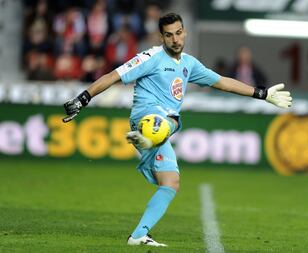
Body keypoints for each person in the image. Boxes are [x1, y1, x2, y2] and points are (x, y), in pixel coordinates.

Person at [62, 13, 292, 247]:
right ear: (161, 37)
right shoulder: (150, 57)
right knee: (171, 120)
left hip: (161, 127)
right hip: (146, 118)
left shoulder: (189, 64)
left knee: (170, 182)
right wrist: (83, 98)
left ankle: (139, 235)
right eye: (169, 35)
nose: (175, 39)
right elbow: (114, 76)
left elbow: (222, 82)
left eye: (179, 33)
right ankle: (146, 137)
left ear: (185, 32)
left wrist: (261, 94)